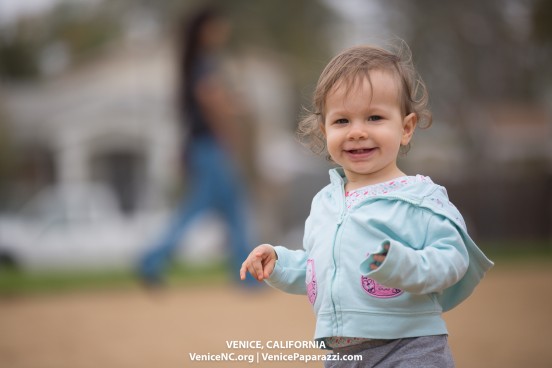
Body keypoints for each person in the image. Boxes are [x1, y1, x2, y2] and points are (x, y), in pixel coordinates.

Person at [240, 44, 494, 367]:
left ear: (405, 128)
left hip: (411, 346)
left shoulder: (418, 196)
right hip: (344, 355)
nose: (357, 132)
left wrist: (401, 264)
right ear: (324, 131)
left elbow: (453, 258)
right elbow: (322, 268)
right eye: (342, 121)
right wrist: (278, 262)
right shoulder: (325, 203)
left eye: (374, 117)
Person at [139, 7, 255, 287]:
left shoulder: (194, 63)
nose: (222, 32)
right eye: (218, 26)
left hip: (201, 147)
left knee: (232, 207)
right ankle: (152, 259)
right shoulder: (204, 63)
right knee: (203, 208)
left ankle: (245, 275)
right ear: (206, 30)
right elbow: (211, 101)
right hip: (210, 147)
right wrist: (228, 131)